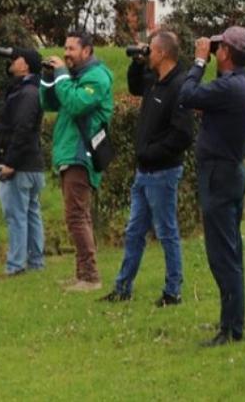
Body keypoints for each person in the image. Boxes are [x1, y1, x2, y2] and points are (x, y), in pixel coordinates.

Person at [101, 31, 195, 307]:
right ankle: (122, 287)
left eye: (151, 50)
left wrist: (152, 152)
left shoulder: (179, 86)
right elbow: (133, 87)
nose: (148, 53)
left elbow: (183, 135)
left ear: (163, 53)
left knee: (166, 231)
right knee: (134, 231)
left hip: (163, 171)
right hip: (144, 171)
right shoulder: (155, 80)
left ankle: (173, 291)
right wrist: (137, 62)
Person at [178, 26, 245, 346]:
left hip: (219, 176)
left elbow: (186, 97)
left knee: (222, 254)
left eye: (218, 48)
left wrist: (199, 61)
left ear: (225, 53)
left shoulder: (229, 88)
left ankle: (230, 328)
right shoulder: (243, 85)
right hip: (230, 174)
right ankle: (231, 320)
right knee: (230, 251)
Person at [39, 30, 114, 293]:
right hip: (69, 153)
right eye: (65, 47)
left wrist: (61, 77)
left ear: (87, 51)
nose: (66, 53)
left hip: (81, 155)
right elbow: (51, 103)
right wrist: (48, 78)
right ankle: (81, 274)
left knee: (75, 217)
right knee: (78, 216)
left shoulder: (97, 77)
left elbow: (75, 103)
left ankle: (91, 277)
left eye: (72, 48)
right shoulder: (74, 77)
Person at [0, 47, 45, 276]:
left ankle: (16, 265)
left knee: (16, 215)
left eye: (16, 58)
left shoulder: (26, 94)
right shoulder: (32, 90)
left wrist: (10, 162)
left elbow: (22, 129)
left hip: (20, 166)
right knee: (31, 213)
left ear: (26, 65)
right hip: (33, 164)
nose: (12, 61)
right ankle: (36, 261)